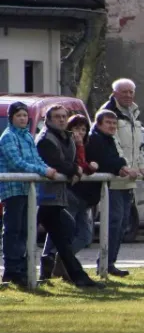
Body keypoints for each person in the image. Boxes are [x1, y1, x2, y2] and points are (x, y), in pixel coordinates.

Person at [36, 104, 105, 289]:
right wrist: (75, 170)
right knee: (63, 230)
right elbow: (58, 163)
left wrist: (76, 168)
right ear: (48, 120)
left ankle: (72, 274)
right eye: (57, 116)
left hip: (58, 196)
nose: (60, 119)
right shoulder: (45, 139)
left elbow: (73, 162)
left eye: (63, 116)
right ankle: (68, 273)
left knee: (64, 233)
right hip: (44, 197)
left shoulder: (66, 137)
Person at [0, 102, 57, 287]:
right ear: (11, 118)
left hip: (29, 191)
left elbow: (35, 158)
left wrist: (47, 168)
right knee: (13, 230)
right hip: (13, 190)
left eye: (25, 115)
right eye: (19, 116)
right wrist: (42, 171)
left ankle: (23, 269)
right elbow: (16, 162)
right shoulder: (8, 137)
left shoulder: (27, 137)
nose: (23, 118)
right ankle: (11, 270)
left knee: (26, 230)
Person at [99, 78, 144, 276]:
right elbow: (114, 145)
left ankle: (110, 262)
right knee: (113, 222)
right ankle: (104, 262)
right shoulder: (109, 114)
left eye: (131, 92)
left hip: (129, 180)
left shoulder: (133, 114)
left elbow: (137, 148)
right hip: (114, 179)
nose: (128, 95)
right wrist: (126, 168)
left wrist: (142, 166)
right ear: (114, 93)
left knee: (122, 224)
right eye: (124, 92)